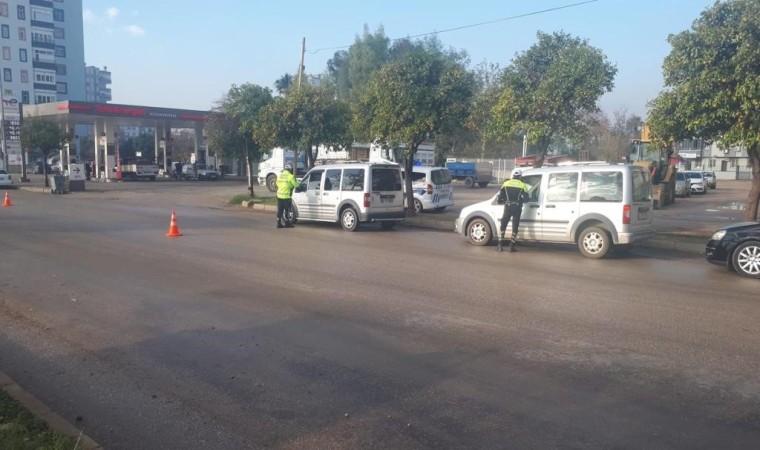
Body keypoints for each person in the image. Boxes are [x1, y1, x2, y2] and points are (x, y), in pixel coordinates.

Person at [497, 168, 530, 252]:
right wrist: (521, 200)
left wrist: (501, 201)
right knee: (515, 226)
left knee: (503, 224)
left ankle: (500, 245)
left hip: (508, 207)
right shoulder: (523, 185)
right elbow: (526, 199)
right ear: (520, 176)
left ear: (513, 175)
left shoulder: (506, 183)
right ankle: (511, 246)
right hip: (517, 208)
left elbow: (500, 197)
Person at [276, 163, 299, 228]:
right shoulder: (290, 176)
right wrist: (296, 184)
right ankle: (287, 223)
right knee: (287, 210)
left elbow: (277, 184)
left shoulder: (279, 175)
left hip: (279, 195)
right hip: (286, 196)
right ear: (290, 169)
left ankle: (278, 223)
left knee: (280, 210)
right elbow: (296, 185)